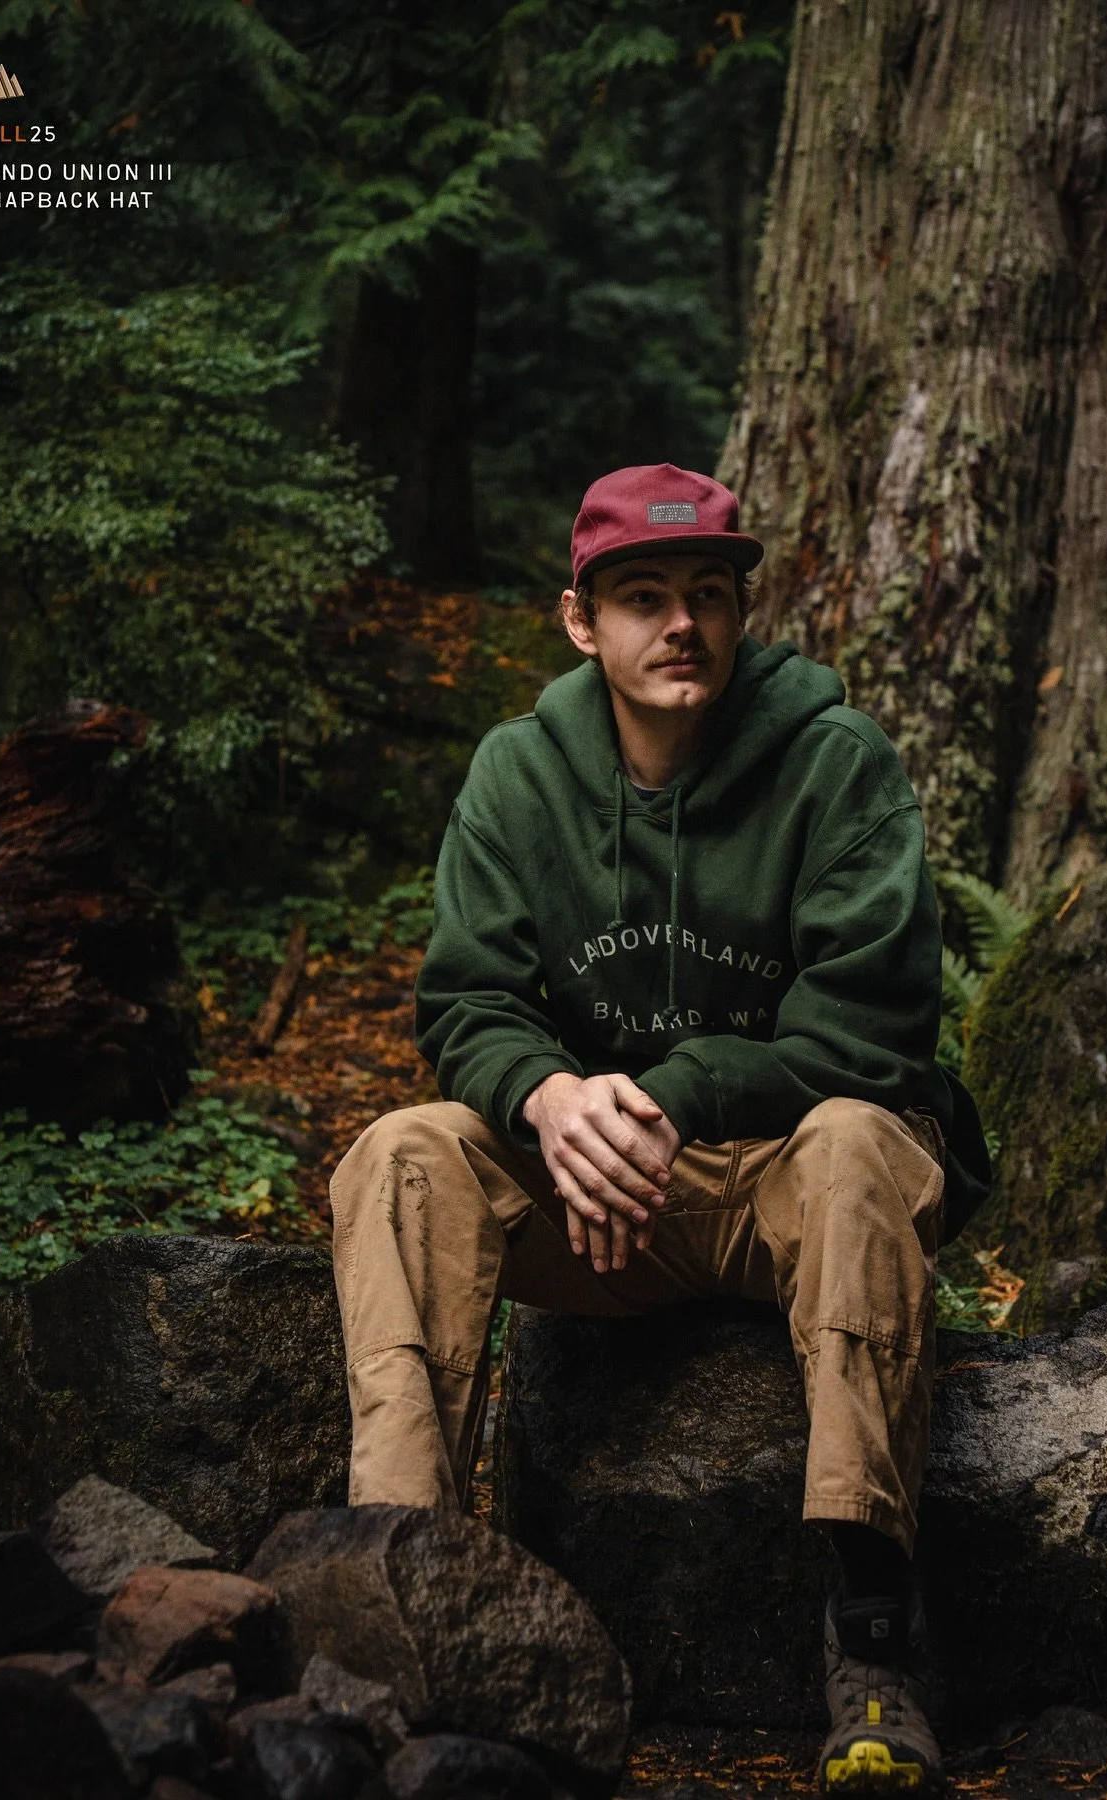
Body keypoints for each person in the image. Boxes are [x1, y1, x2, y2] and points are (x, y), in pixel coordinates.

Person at [328, 462, 991, 1795]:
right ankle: (402, 1595)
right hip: (592, 1198)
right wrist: (549, 1097)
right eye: (643, 597)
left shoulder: (835, 763)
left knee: (866, 1137)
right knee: (403, 1150)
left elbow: (872, 1031)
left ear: (743, 613)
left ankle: (871, 1635)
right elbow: (466, 998)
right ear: (582, 622)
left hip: (777, 1179)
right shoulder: (519, 775)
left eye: (708, 593)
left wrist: (673, 1095)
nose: (680, 623)